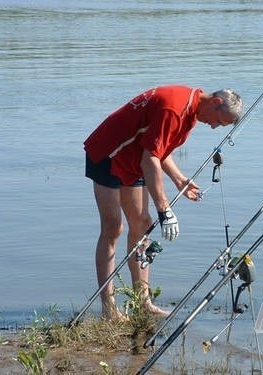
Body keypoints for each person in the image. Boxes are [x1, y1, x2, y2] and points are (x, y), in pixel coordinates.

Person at [84, 85, 243, 319]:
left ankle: (143, 301)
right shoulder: (175, 109)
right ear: (216, 102)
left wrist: (179, 179)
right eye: (219, 121)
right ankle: (109, 309)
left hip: (134, 156)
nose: (213, 127)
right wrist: (165, 209)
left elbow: (158, 146)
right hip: (108, 152)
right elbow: (151, 158)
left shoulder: (191, 111)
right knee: (113, 227)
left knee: (142, 224)